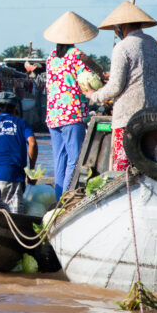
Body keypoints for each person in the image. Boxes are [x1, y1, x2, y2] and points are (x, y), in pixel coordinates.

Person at [84, 1, 157, 172]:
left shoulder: (122, 47)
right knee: (152, 166)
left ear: (119, 27)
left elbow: (116, 86)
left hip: (130, 119)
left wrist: (94, 95)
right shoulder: (152, 43)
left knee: (125, 170)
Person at [43, 11, 104, 199]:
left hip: (53, 115)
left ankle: (59, 198)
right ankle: (68, 197)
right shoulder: (77, 56)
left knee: (59, 159)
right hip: (72, 114)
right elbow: (91, 80)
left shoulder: (51, 57)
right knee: (75, 159)